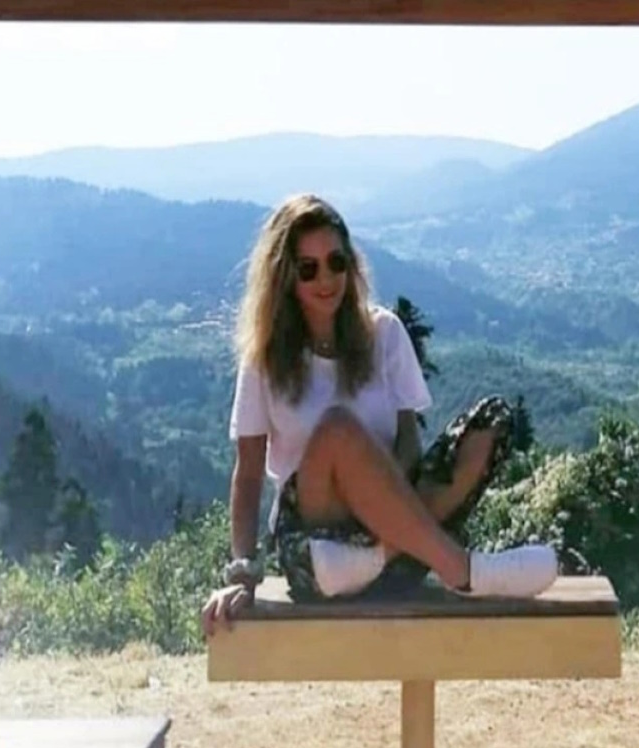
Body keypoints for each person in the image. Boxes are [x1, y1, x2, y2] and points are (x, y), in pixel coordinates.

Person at [201, 194, 557, 636]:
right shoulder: (265, 360)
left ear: (351, 263)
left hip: (375, 528)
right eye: (308, 268)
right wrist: (241, 572)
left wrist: (386, 502)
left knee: (491, 422)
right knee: (337, 431)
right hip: (314, 539)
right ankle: (461, 569)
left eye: (336, 262)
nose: (326, 278)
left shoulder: (384, 333)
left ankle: (375, 557)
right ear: (285, 276)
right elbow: (249, 472)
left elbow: (408, 440)